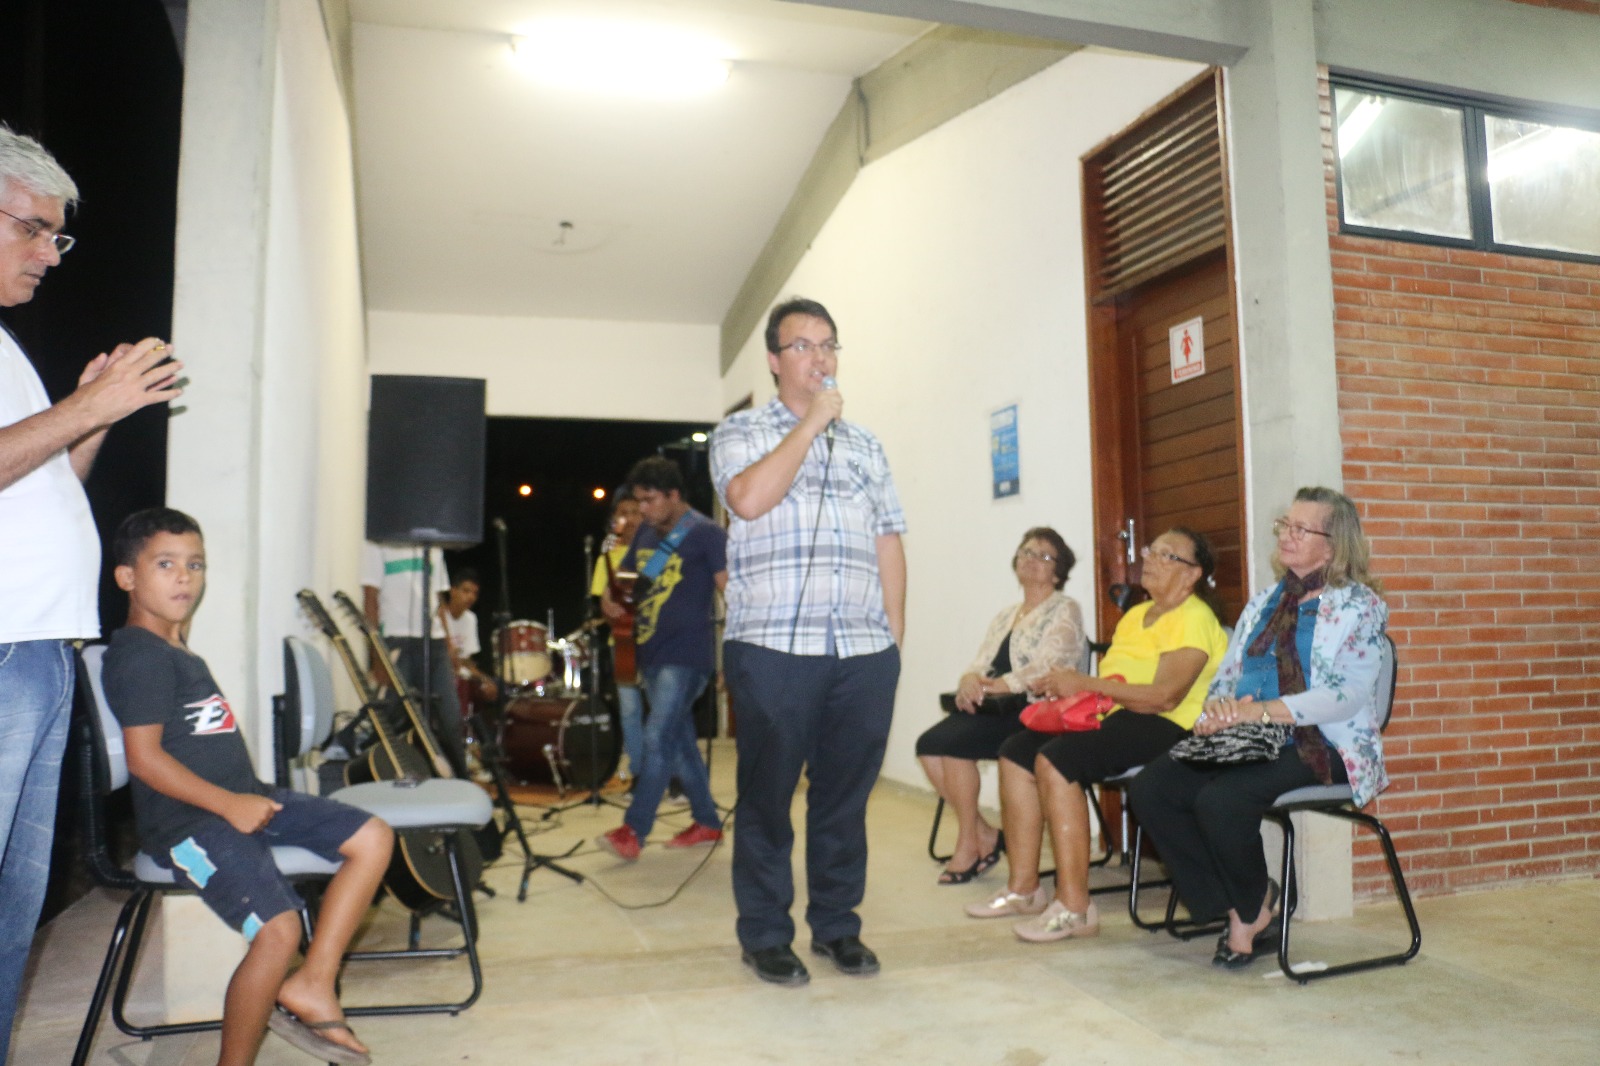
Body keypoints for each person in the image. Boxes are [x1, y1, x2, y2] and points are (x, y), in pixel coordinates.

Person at [0, 125, 182, 1063]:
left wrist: (91, 423)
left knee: (13, 905)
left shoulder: (6, 349)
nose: (51, 253)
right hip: (4, 650)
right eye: (32, 228)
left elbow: (43, 486)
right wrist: (84, 408)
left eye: (57, 235)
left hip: (38, 649)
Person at [101, 509, 393, 1066]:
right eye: (165, 564)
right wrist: (228, 804)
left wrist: (240, 799)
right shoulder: (139, 656)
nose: (184, 577)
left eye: (195, 565)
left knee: (373, 837)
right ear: (127, 577)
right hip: (188, 825)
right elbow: (145, 759)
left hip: (244, 797)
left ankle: (314, 981)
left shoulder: (174, 649)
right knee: (278, 930)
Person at [711, 297, 906, 987]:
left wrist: (893, 641)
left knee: (844, 801)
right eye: (803, 346)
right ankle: (766, 935)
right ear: (774, 359)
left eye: (828, 345)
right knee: (767, 800)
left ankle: (837, 927)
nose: (820, 358)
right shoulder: (738, 432)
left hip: (861, 649)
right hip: (771, 648)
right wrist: (813, 423)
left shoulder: (867, 445)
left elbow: (888, 539)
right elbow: (748, 499)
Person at [1129, 487, 1389, 969]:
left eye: (1301, 529)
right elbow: (1227, 675)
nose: (1287, 535)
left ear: (1332, 546)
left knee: (1222, 800)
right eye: (1284, 525)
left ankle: (1245, 916)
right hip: (1250, 736)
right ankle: (1246, 903)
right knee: (1152, 788)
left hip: (1321, 744)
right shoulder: (1265, 601)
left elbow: (1347, 696)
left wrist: (1264, 711)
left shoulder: (1359, 606)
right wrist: (1220, 709)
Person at [967, 527, 1229, 946]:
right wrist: (1067, 688)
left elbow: (1165, 696)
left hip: (1171, 725)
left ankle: (1075, 907)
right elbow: (1113, 686)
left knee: (1057, 761)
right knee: (1015, 752)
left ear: (1193, 573)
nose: (1151, 558)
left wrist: (1084, 682)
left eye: (1167, 555)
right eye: (1151, 550)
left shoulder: (1193, 617)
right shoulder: (1135, 616)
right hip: (1120, 716)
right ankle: (1024, 888)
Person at [915, 527, 1085, 885]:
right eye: (1026, 552)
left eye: (1044, 556)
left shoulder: (1064, 609)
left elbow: (1051, 665)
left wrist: (1001, 685)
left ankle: (968, 843)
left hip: (1033, 708)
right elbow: (981, 662)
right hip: (995, 706)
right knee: (928, 746)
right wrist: (969, 679)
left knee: (954, 747)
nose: (1032, 560)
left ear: (1058, 572)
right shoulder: (1006, 615)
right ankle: (984, 833)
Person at [595, 456, 727, 860]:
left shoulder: (706, 533)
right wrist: (609, 600)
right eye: (639, 501)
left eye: (650, 500)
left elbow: (732, 595)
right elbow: (626, 585)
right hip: (649, 652)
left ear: (673, 495)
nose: (643, 510)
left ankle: (634, 830)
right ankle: (707, 822)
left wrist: (733, 659)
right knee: (679, 743)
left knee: (655, 737)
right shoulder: (646, 534)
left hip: (686, 656)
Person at [361, 541, 465, 776]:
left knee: (450, 718)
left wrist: (448, 643)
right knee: (389, 716)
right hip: (396, 640)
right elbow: (370, 599)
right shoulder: (378, 542)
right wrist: (376, 655)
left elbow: (438, 600)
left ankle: (460, 782)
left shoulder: (433, 544)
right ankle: (374, 776)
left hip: (434, 643)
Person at [590, 489, 646, 780]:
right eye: (624, 513)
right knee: (629, 710)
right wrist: (607, 605)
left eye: (636, 512)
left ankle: (671, 777)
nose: (630, 519)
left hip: (657, 641)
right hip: (623, 643)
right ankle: (639, 774)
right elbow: (602, 600)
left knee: (663, 710)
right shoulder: (607, 559)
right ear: (614, 520)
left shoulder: (655, 552)